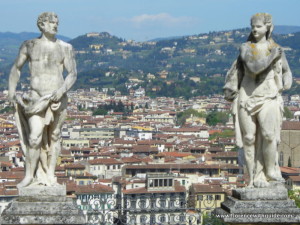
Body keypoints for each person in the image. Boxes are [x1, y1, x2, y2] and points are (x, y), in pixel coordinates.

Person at [8, 12, 77, 188]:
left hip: (57, 97)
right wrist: (11, 91)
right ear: (42, 25)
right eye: (52, 23)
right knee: (34, 137)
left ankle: (50, 176)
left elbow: (72, 73)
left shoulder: (65, 47)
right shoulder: (29, 45)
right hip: (36, 98)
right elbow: (16, 68)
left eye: (57, 23)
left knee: (55, 136)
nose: (56, 25)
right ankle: (30, 175)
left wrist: (61, 91)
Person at [224, 13, 292, 188]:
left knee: (269, 135)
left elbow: (286, 70)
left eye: (259, 26)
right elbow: (253, 69)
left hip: (268, 96)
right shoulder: (246, 48)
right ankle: (253, 177)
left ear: (267, 27)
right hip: (247, 97)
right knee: (248, 138)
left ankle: (269, 171)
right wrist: (272, 57)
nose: (254, 29)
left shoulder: (277, 48)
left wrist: (287, 82)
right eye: (253, 26)